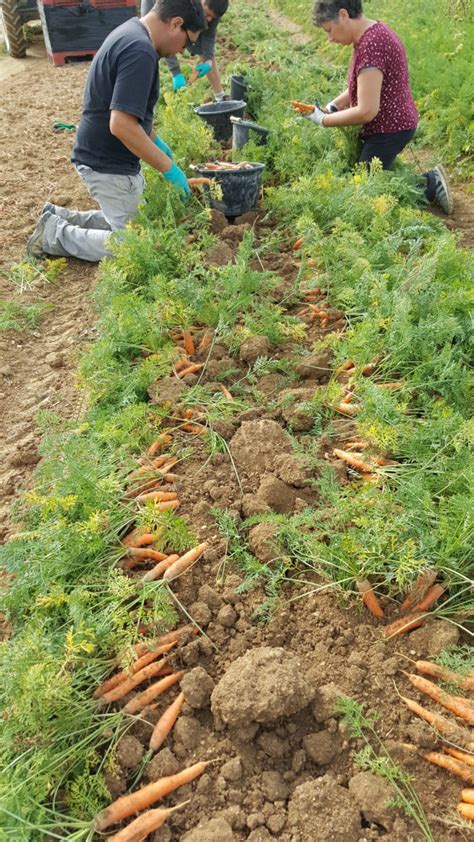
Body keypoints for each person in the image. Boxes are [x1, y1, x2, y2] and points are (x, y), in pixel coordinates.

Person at [27, 0, 207, 262]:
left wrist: (158, 144)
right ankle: (53, 234)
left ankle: (61, 217)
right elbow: (121, 125)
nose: (183, 50)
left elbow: (132, 115)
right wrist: (169, 168)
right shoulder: (140, 51)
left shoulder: (132, 33)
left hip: (102, 156)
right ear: (176, 23)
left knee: (139, 223)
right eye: (188, 42)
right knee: (134, 245)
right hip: (108, 165)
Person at [305, 0, 453, 214]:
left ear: (344, 15)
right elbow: (362, 85)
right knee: (368, 176)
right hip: (389, 125)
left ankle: (430, 184)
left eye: (329, 30)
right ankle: (413, 178)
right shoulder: (370, 35)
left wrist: (324, 120)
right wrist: (334, 106)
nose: (330, 39)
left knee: (368, 193)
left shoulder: (372, 46)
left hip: (390, 129)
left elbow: (367, 110)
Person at [141, 0, 229, 101]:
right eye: (208, 14)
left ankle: (220, 96)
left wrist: (208, 61)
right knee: (151, 42)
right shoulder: (181, 5)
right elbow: (167, 38)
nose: (209, 19)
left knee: (196, 42)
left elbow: (208, 37)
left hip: (190, 12)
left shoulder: (215, 10)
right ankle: (144, 94)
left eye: (212, 17)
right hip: (156, 7)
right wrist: (176, 72)